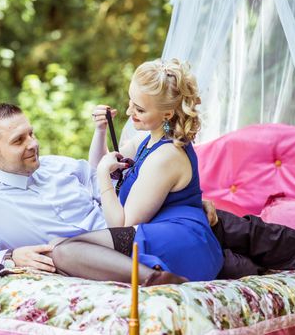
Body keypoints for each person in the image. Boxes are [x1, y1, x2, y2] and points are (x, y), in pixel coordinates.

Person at [0, 102, 295, 281]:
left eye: (31, 133)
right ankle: (257, 270)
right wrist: (10, 255)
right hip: (109, 248)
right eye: (19, 141)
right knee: (235, 263)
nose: (33, 144)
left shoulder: (52, 166)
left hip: (135, 225)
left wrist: (182, 200)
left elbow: (102, 178)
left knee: (240, 227)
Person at [48, 59, 223, 285]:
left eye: (139, 109)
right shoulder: (147, 141)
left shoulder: (165, 156)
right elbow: (101, 164)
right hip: (156, 234)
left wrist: (104, 176)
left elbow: (120, 225)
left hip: (180, 244)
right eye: (131, 102)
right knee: (59, 246)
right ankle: (152, 277)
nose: (130, 111)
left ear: (167, 115)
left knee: (63, 251)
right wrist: (101, 131)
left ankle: (156, 278)